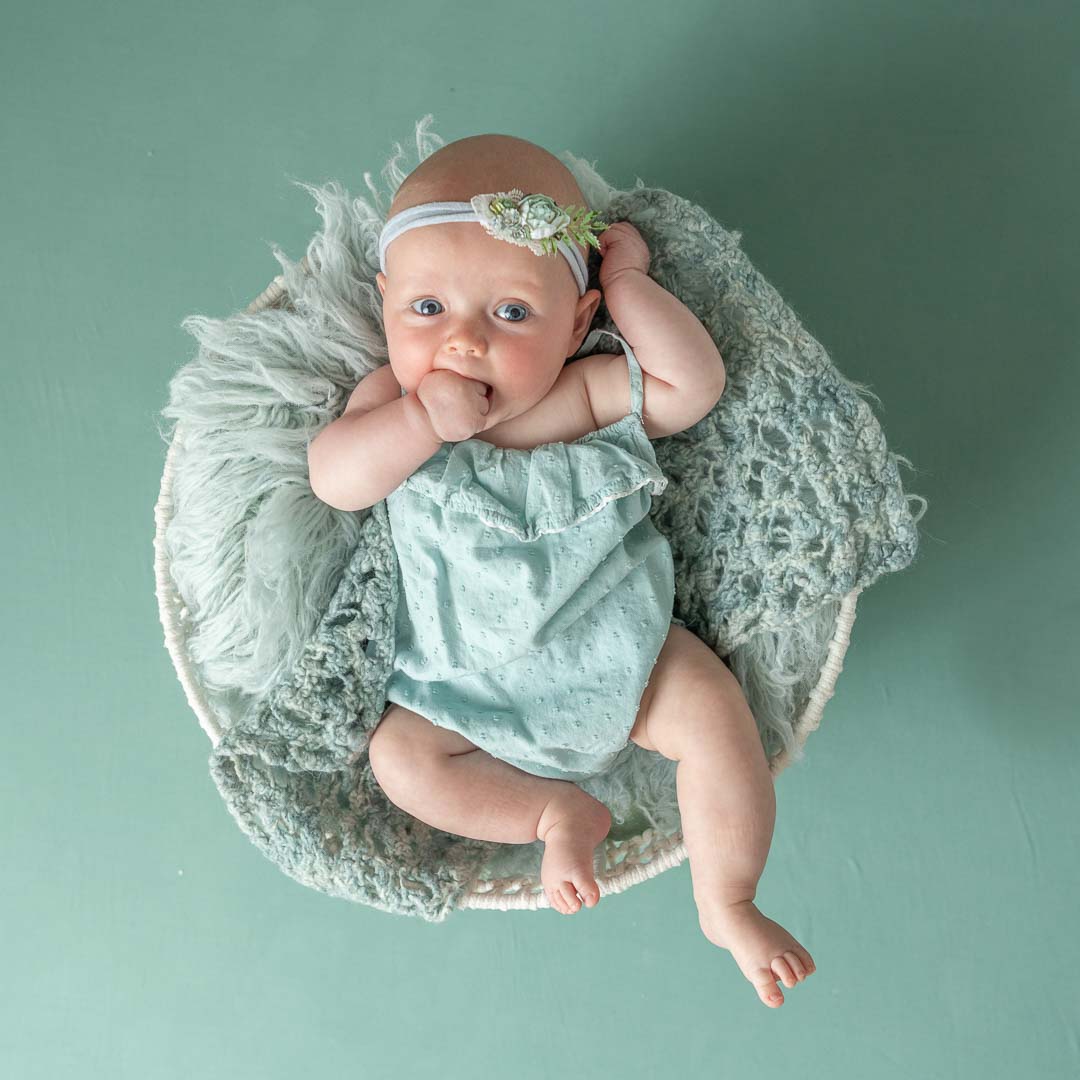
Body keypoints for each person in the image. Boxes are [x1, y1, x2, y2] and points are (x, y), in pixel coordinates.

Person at [307, 133, 815, 1007]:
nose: (462, 343)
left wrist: (628, 285)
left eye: (511, 315)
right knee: (401, 761)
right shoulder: (388, 407)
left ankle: (728, 898)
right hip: (457, 694)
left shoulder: (581, 398)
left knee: (718, 722)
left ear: (577, 323)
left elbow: (692, 385)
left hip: (628, 654)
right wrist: (422, 424)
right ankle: (552, 814)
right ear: (384, 303)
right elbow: (337, 480)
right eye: (427, 309)